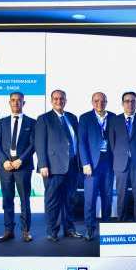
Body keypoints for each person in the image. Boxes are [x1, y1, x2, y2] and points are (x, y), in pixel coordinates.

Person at [35, 89, 83, 242]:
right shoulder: (43, 119)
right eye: (55, 98)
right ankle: (52, 231)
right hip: (52, 167)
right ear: (51, 101)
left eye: (61, 98)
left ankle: (69, 229)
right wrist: (43, 164)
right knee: (52, 200)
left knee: (70, 200)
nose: (58, 101)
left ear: (65, 100)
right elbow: (39, 143)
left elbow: (76, 141)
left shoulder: (72, 117)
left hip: (72, 165)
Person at [0, 92, 36, 243]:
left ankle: (26, 231)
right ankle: (8, 231)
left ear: (23, 103)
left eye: (19, 100)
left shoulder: (32, 122)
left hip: (23, 166)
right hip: (5, 166)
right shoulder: (2, 122)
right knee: (7, 199)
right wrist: (4, 160)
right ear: (9, 102)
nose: (16, 103)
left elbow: (33, 144)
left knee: (24, 199)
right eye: (13, 100)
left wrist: (21, 160)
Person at [78, 92, 116, 240]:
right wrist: (85, 163)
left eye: (102, 101)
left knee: (107, 197)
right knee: (90, 198)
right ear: (92, 102)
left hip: (109, 164)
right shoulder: (85, 118)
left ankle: (106, 228)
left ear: (106, 102)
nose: (99, 103)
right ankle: (89, 229)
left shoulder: (113, 117)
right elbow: (82, 142)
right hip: (91, 165)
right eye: (96, 101)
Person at [108, 91, 136, 222]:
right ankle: (121, 220)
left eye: (133, 101)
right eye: (127, 101)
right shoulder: (114, 120)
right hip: (120, 163)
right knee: (121, 194)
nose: (130, 104)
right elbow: (112, 142)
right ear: (122, 104)